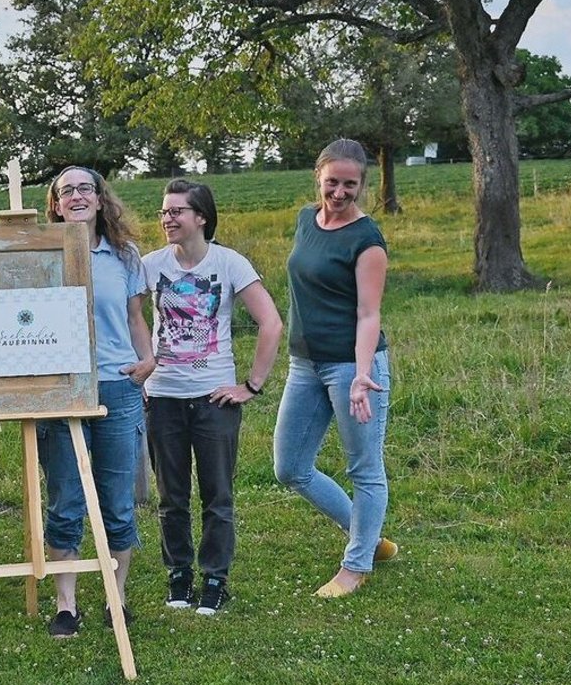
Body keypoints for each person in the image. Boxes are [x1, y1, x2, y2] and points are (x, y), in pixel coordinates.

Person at [142, 179, 283, 616]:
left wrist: (251, 386)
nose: (168, 218)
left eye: (177, 211)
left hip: (214, 400)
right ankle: (179, 575)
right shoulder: (148, 265)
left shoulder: (229, 263)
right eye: (164, 212)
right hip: (162, 396)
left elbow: (271, 323)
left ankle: (216, 579)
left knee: (217, 495)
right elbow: (123, 318)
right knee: (171, 496)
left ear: (201, 217)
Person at [273, 139, 398, 599]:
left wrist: (363, 374)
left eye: (350, 184)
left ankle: (357, 564)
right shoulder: (306, 220)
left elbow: (369, 314)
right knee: (290, 467)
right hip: (304, 364)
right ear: (318, 179)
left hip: (352, 368)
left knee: (364, 469)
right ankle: (370, 534)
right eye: (332, 182)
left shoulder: (367, 241)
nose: (340, 192)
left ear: (362, 184)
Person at [39, 166, 156, 638]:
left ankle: (116, 595)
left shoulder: (124, 256)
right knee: (66, 500)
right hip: (62, 390)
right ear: (55, 205)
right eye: (67, 191)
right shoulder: (41, 255)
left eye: (85, 188)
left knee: (117, 502)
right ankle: (66, 603)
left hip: (117, 387)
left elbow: (135, 317)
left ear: (101, 198)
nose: (77, 196)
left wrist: (147, 360)